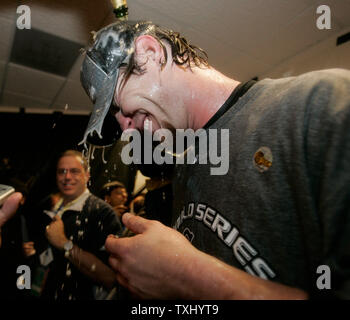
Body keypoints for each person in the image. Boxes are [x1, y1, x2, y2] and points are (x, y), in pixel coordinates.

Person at [80, 20, 350, 299]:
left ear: (150, 52)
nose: (124, 128)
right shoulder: (183, 169)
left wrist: (187, 276)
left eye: (116, 105)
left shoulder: (323, 104)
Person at [27, 150, 123, 300]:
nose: (67, 177)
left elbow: (110, 278)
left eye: (74, 171)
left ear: (87, 175)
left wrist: (65, 244)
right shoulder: (47, 206)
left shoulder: (103, 213)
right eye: (62, 171)